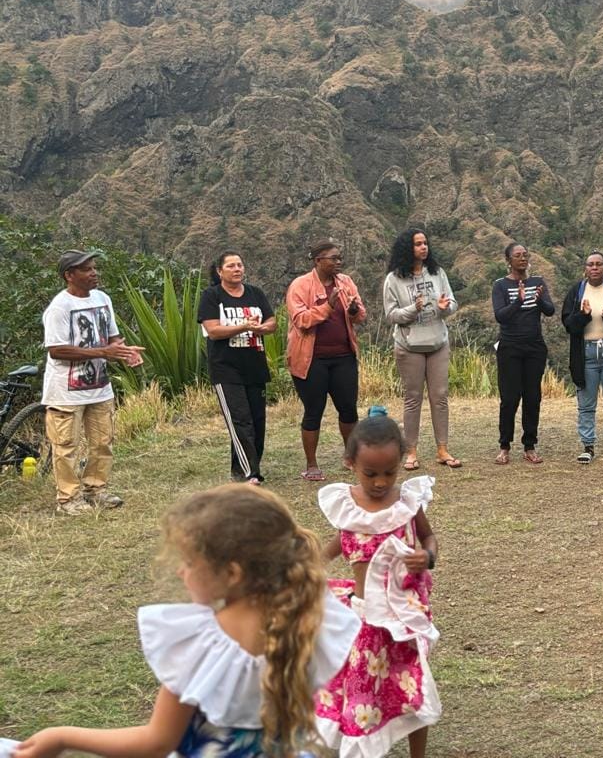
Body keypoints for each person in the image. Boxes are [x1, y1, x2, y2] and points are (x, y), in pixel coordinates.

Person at [13, 483, 361, 757]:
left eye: (190, 563)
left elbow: (156, 742)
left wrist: (62, 737)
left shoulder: (203, 644)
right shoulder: (306, 615)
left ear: (232, 573)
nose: (181, 571)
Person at [316, 415, 441, 758]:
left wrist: (427, 556)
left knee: (413, 685)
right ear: (350, 463)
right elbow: (334, 547)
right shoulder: (348, 508)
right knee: (363, 693)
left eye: (390, 472)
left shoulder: (407, 503)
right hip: (363, 619)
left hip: (404, 616)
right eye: (370, 473)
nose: (381, 482)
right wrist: (307, 566)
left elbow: (429, 537)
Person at [40, 250, 144, 517]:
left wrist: (124, 352)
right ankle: (68, 498)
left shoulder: (102, 298)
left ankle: (96, 490)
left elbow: (112, 337)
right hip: (65, 392)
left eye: (94, 268)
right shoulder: (59, 307)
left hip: (99, 387)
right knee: (66, 447)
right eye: (86, 269)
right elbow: (56, 350)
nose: (94, 273)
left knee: (102, 442)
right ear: (69, 275)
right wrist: (103, 352)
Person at [286, 242, 367, 481]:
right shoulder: (300, 285)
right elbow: (301, 320)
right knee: (313, 411)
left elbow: (360, 316)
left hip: (343, 357)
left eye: (340, 258)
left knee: (348, 409)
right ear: (318, 260)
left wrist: (353, 310)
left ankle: (351, 457)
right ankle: (311, 464)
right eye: (333, 258)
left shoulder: (346, 282)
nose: (338, 262)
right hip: (311, 360)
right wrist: (328, 306)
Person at [382, 227, 460, 471]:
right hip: (409, 346)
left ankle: (442, 449)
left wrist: (445, 307)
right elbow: (391, 315)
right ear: (407, 248)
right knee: (413, 398)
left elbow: (452, 303)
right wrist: (413, 309)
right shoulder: (394, 279)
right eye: (418, 244)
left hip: (438, 342)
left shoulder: (437, 273)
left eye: (425, 243)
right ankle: (411, 451)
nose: (423, 247)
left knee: (440, 397)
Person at [199, 251, 277, 484]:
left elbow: (272, 322)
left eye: (240, 265)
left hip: (255, 366)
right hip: (226, 369)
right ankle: (250, 473)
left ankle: (241, 468)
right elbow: (213, 330)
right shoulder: (212, 296)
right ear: (220, 271)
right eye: (231, 266)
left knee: (257, 421)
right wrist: (244, 326)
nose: (237, 269)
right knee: (240, 420)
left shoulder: (255, 293)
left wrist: (262, 328)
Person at [561, 251, 603, 464]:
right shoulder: (576, 292)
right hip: (585, 354)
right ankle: (587, 446)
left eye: (598, 264)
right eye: (590, 264)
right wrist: (583, 315)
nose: (594, 268)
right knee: (586, 404)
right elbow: (568, 325)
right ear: (585, 268)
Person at [490, 242, 555, 464]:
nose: (523, 258)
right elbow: (501, 316)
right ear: (508, 260)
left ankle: (529, 445)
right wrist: (518, 300)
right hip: (509, 347)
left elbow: (550, 310)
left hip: (534, 347)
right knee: (509, 398)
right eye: (517, 255)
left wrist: (539, 300)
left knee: (532, 397)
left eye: (525, 255)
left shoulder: (538, 282)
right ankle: (504, 446)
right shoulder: (500, 285)